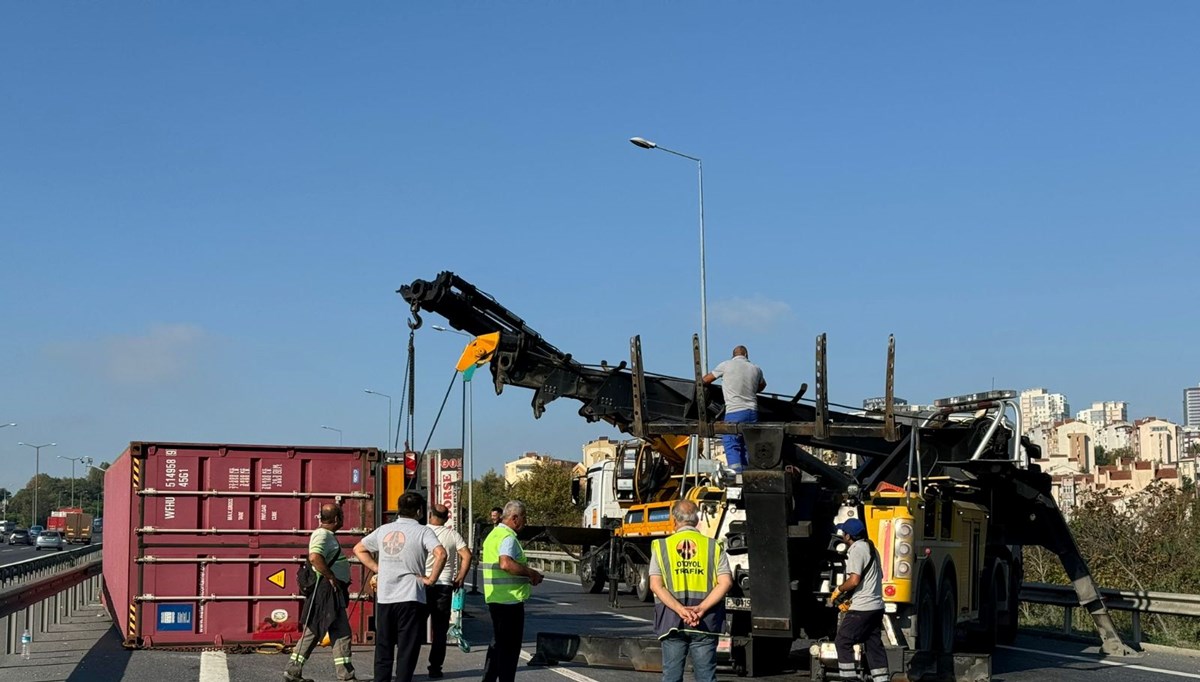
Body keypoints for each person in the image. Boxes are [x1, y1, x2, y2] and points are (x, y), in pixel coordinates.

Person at [354, 492, 447, 682]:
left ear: (399, 508)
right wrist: (430, 579)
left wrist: (378, 568)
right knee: (407, 648)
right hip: (411, 595)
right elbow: (441, 554)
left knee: (384, 647)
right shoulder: (423, 531)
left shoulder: (383, 530)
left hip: (386, 595)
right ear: (419, 511)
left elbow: (359, 549)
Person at [648, 500, 733, 682]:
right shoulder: (714, 546)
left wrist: (681, 610)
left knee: (671, 677)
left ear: (674, 520)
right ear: (697, 519)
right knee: (705, 677)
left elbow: (656, 585)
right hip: (706, 621)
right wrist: (701, 609)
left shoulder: (662, 546)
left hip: (672, 622)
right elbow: (725, 582)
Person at [285, 503, 357, 682]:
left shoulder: (327, 535)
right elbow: (315, 557)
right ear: (336, 519)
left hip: (331, 591)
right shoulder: (322, 534)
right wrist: (331, 576)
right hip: (326, 591)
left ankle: (294, 671)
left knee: (329, 631)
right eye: (341, 516)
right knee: (326, 631)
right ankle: (345, 676)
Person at [480, 500, 544, 682]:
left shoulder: (493, 534)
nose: (525, 522)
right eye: (524, 517)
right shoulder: (508, 537)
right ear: (515, 518)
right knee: (509, 651)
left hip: (495, 598)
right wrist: (531, 573)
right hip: (510, 602)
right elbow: (505, 563)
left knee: (498, 646)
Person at [830, 518, 889, 682]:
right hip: (877, 607)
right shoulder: (871, 548)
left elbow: (854, 580)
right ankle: (882, 679)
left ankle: (850, 679)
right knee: (873, 645)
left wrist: (839, 590)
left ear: (848, 536)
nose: (842, 535)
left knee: (842, 641)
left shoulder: (856, 549)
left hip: (863, 608)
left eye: (843, 533)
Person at [424, 503, 473, 679]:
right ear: (446, 519)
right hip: (444, 585)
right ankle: (435, 668)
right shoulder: (453, 535)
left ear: (430, 515)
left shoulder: (422, 532)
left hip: (422, 584)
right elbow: (467, 555)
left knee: (413, 628)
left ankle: (406, 667)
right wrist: (460, 577)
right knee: (440, 630)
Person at [702, 346, 766, 473]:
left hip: (734, 412)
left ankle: (736, 474)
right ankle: (748, 473)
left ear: (733, 355)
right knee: (747, 443)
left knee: (731, 441)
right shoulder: (756, 369)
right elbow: (762, 385)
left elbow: (705, 380)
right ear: (746, 355)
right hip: (752, 412)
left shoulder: (726, 365)